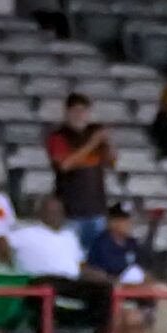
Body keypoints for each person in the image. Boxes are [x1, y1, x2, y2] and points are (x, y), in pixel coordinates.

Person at [8, 196, 113, 333]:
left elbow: (80, 265)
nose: (56, 216)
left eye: (59, 212)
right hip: (40, 281)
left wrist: (100, 275)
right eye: (51, 211)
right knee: (47, 288)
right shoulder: (25, 233)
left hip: (69, 282)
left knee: (104, 290)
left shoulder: (69, 236)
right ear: (40, 213)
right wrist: (6, 257)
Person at [46, 93, 116, 250]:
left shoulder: (94, 133)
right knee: (71, 253)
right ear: (67, 113)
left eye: (83, 111)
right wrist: (92, 143)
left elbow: (111, 163)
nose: (80, 115)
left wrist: (108, 143)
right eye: (76, 111)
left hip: (96, 208)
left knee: (96, 257)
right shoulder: (59, 136)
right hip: (70, 210)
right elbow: (64, 165)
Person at [85, 202, 154, 285]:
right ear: (112, 223)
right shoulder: (100, 244)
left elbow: (143, 268)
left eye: (129, 220)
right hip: (110, 290)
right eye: (123, 221)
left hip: (136, 289)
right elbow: (93, 272)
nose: (128, 224)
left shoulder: (132, 243)